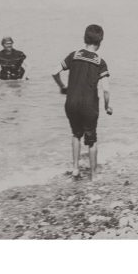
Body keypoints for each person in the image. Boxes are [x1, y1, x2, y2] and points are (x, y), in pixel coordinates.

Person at [52, 25, 113, 181]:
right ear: (100, 42)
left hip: (71, 102)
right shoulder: (100, 62)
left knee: (76, 134)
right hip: (89, 105)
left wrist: (62, 87)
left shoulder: (74, 55)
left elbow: (54, 71)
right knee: (91, 140)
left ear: (84, 38)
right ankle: (93, 175)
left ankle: (75, 169)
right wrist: (107, 106)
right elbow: (106, 89)